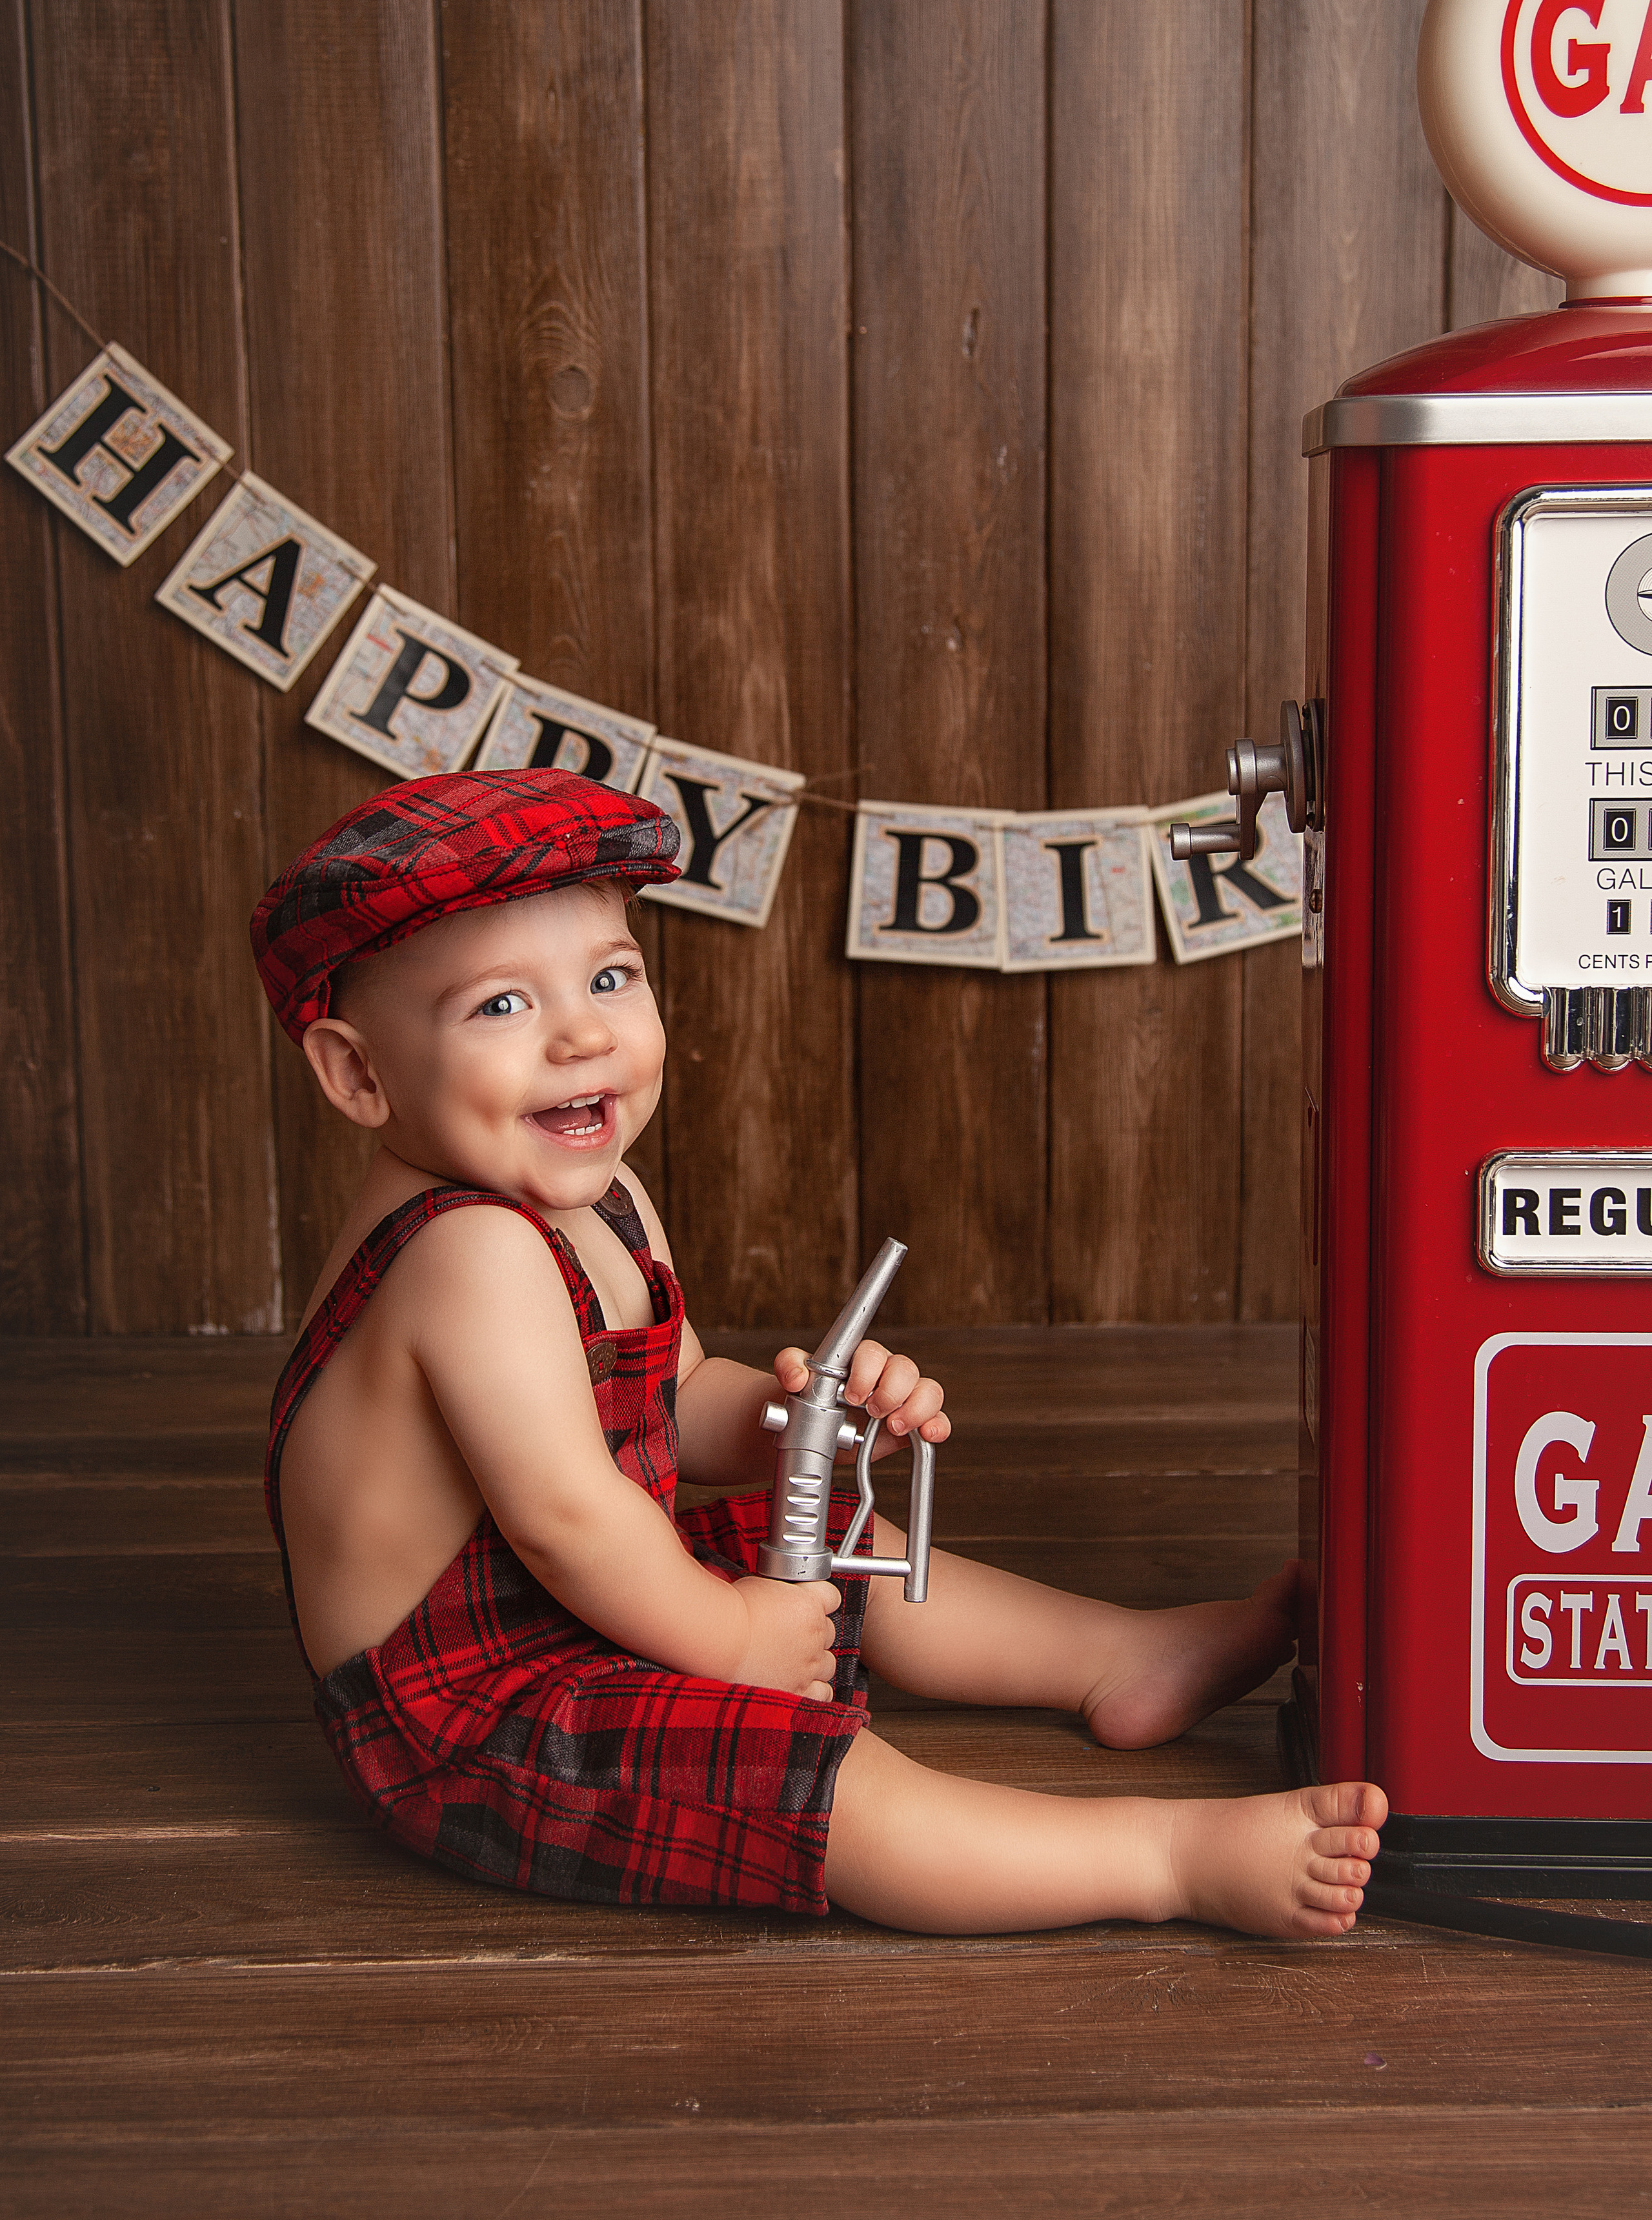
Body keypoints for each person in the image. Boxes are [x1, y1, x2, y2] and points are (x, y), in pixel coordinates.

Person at [251, 767, 1385, 1938]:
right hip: (464, 1714)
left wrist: (810, 1425)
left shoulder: (598, 1198)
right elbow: (570, 1520)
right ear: (359, 1073)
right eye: (500, 1006)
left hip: (551, 1607)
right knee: (809, 1778)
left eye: (609, 978)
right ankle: (1167, 1859)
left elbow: (677, 1397)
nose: (582, 1033)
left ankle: (1122, 1657)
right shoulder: (465, 1254)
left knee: (836, 1544)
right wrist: (733, 1638)